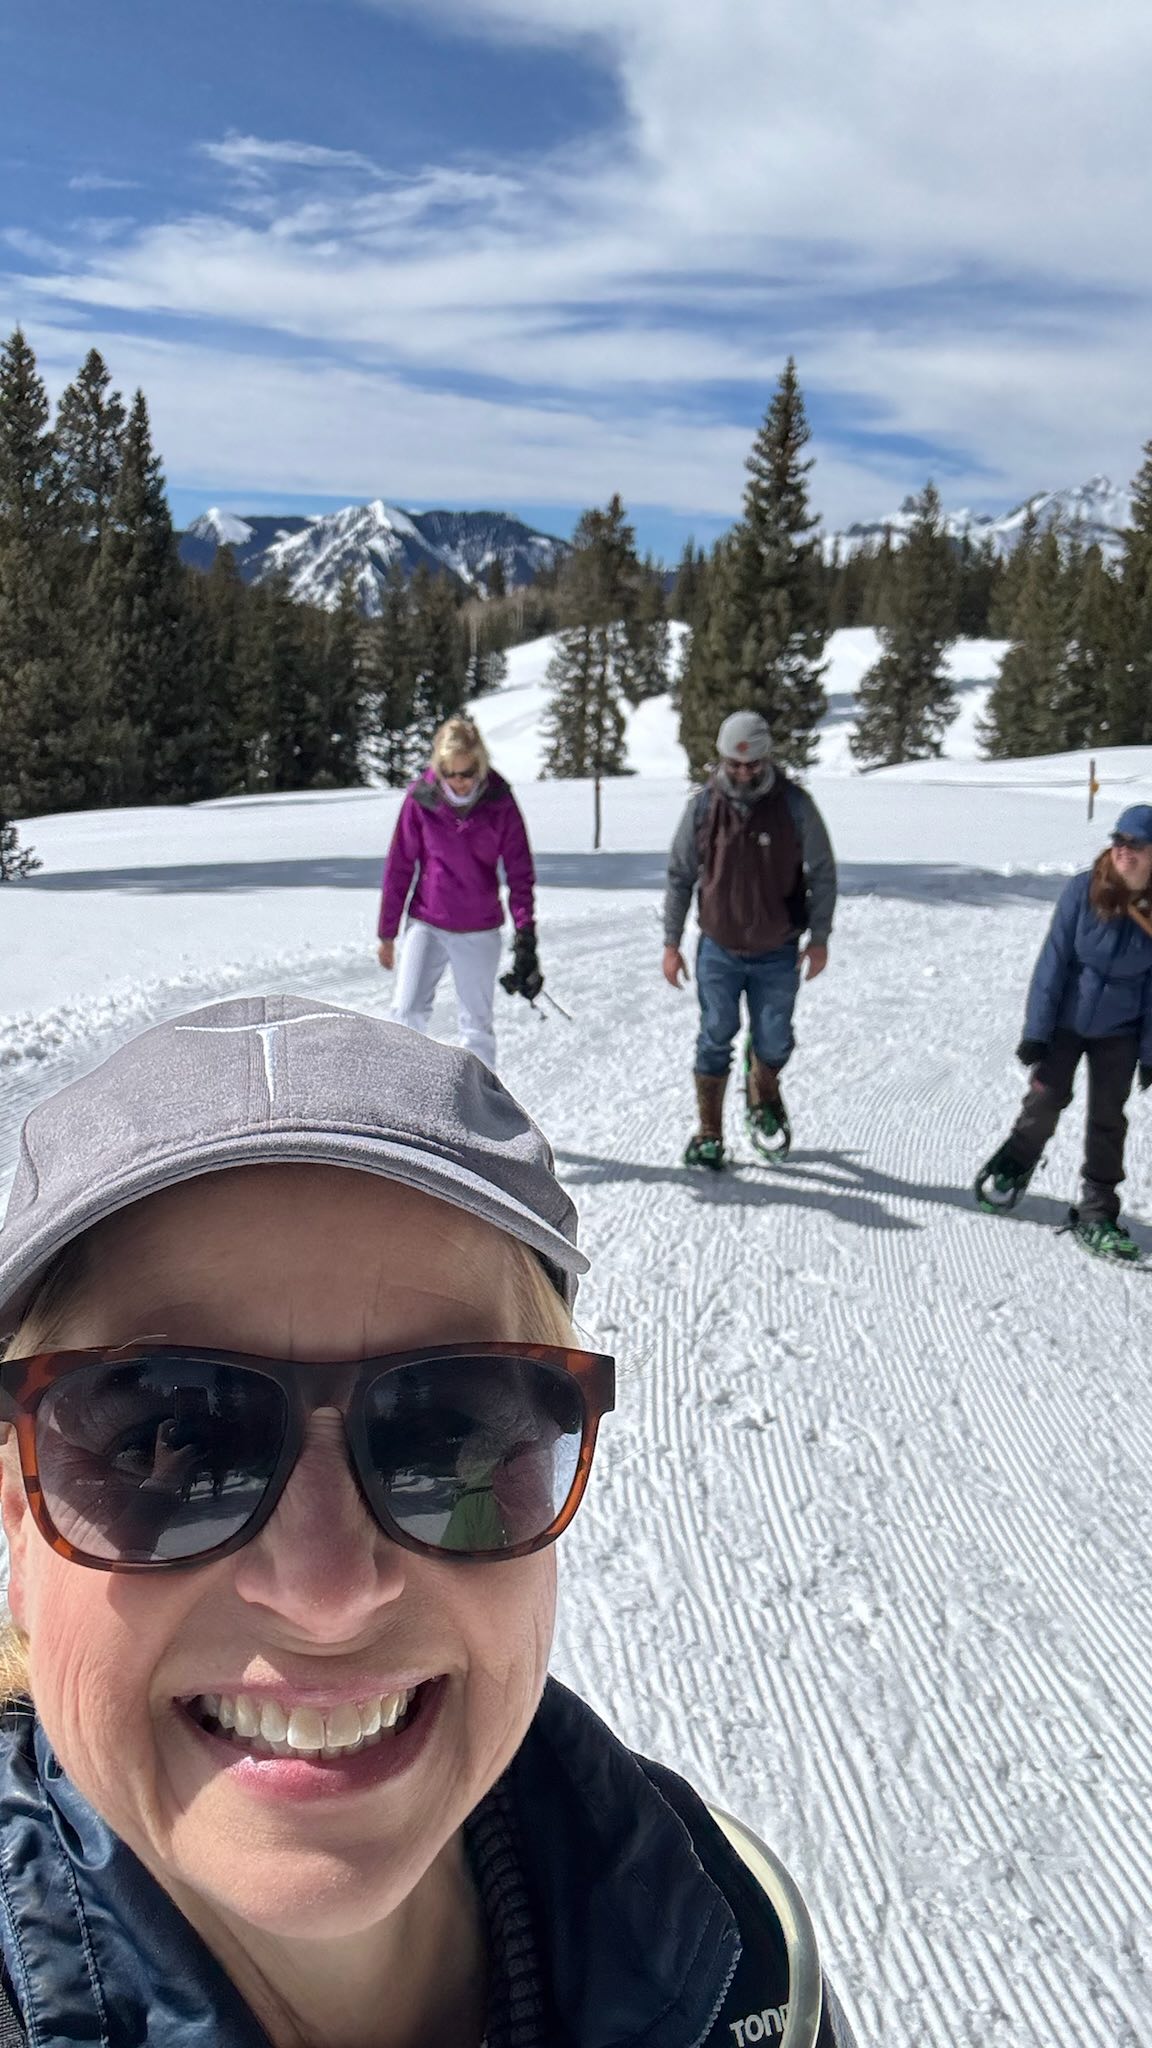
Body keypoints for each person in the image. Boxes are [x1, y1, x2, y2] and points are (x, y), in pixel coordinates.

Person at [0, 994, 857, 2048]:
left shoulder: (735, 1952)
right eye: (162, 1443)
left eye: (448, 1435)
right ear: (17, 1518)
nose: (326, 1593)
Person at [974, 804, 1152, 1261]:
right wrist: (1037, 1029)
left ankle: (1097, 1210)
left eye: (1135, 844)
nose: (1123, 851)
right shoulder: (1084, 889)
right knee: (1046, 1097)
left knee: (1108, 1119)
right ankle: (1016, 1161)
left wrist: (1150, 1052)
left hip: (1120, 1030)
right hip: (1067, 1022)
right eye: (1118, 841)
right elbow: (1053, 961)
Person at [664, 711, 838, 1169]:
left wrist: (819, 938)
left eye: (753, 765)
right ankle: (709, 1132)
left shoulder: (795, 806)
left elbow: (822, 872)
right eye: (734, 764)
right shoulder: (704, 807)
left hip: (777, 949)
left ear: (767, 758)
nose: (743, 773)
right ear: (721, 760)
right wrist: (671, 943)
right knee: (715, 1033)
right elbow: (680, 875)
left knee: (775, 1037)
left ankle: (764, 1088)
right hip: (718, 947)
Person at [377, 715, 542, 1071]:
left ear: (479, 765)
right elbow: (400, 866)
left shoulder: (499, 800)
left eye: (467, 773)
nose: (459, 782)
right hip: (428, 921)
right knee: (406, 1012)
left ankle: (481, 1101)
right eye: (450, 774)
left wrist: (526, 934)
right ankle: (401, 1091)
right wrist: (387, 933)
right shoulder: (421, 798)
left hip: (479, 928)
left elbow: (519, 873)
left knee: (476, 1027)